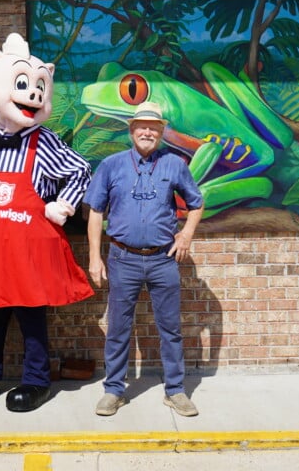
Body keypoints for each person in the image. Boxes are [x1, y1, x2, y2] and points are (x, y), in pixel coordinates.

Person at [0, 33, 94, 413]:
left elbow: (80, 171)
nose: (33, 95)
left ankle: (35, 380)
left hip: (28, 254)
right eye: (23, 85)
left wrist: (62, 207)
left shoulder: (46, 143)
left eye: (40, 87)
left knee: (31, 316)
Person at [83, 101, 204, 417]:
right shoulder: (111, 165)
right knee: (119, 327)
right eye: (142, 126)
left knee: (170, 328)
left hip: (163, 259)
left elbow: (196, 203)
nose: (148, 131)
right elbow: (96, 212)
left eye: (154, 127)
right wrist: (95, 258)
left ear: (162, 132)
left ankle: (176, 391)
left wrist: (186, 235)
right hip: (123, 258)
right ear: (132, 129)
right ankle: (114, 390)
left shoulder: (175, 164)